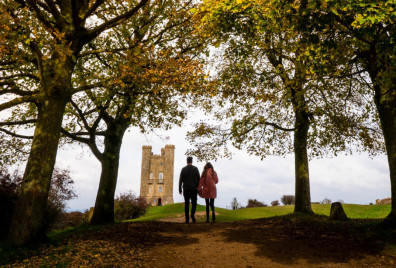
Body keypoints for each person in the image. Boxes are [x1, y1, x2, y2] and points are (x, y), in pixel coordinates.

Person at [179, 156, 200, 223]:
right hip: (194, 189)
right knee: (194, 203)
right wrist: (198, 187)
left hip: (186, 189)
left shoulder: (183, 169)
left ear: (187, 161)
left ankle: (187, 219)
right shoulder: (195, 169)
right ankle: (192, 215)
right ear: (192, 161)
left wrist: (180, 188)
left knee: (186, 204)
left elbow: (180, 180)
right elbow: (199, 179)